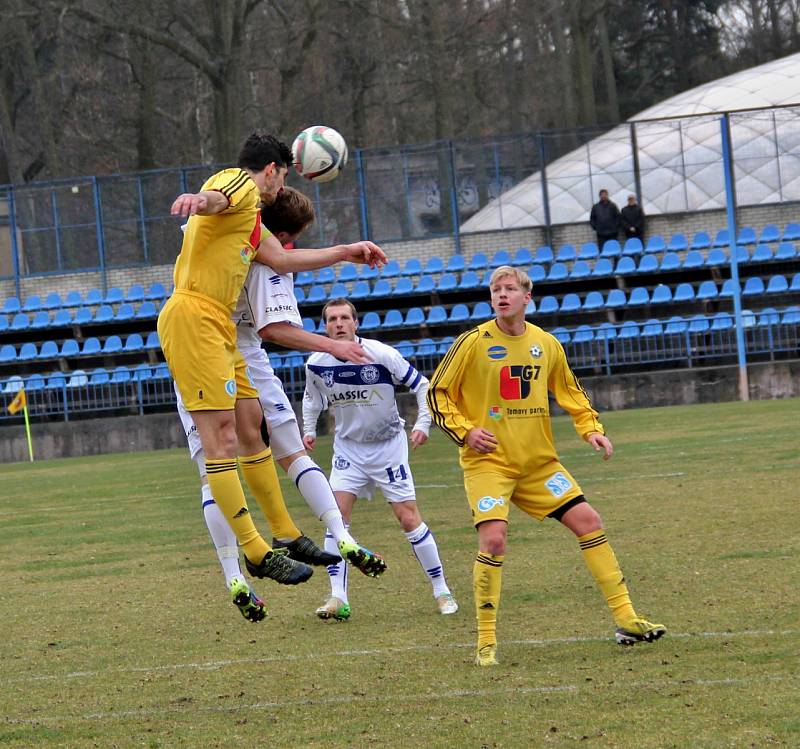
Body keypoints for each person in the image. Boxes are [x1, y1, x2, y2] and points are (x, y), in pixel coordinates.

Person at [158, 132, 386, 618]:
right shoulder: (240, 185)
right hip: (194, 316)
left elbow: (282, 259)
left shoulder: (251, 223)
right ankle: (257, 550)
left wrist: (346, 250)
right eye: (283, 177)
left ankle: (285, 533)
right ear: (274, 170)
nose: (282, 188)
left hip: (220, 324)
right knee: (220, 439)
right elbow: (218, 197)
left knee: (249, 426)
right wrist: (199, 200)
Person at [427, 265, 665, 666]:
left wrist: (591, 429)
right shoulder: (472, 342)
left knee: (589, 521)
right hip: (490, 465)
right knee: (495, 540)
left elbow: (570, 392)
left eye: (510, 289)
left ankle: (626, 619)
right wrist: (466, 432)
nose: (502, 295)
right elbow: (437, 393)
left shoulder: (547, 344)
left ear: (526, 298)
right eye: (495, 290)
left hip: (538, 465)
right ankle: (486, 641)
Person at [302, 298, 458, 621]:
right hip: (348, 449)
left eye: (345, 317)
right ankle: (338, 597)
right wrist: (308, 431)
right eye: (332, 319)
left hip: (388, 446)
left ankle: (441, 590)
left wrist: (424, 424)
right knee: (335, 518)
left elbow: (422, 386)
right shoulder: (316, 363)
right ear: (325, 325)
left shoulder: (381, 354)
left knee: (408, 518)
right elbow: (311, 399)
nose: (339, 323)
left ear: (355, 323)